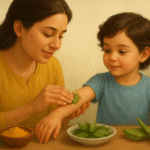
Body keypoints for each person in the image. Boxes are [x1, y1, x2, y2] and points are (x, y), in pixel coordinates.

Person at [35, 12, 150, 143]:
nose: (112, 57)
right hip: (105, 144)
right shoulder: (101, 81)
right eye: (107, 50)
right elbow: (76, 99)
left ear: (144, 54)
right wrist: (56, 115)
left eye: (122, 52)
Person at [0, 0, 90, 136]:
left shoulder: (53, 65)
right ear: (19, 28)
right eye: (48, 34)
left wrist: (64, 115)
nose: (57, 45)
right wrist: (32, 107)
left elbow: (50, 123)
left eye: (61, 36)